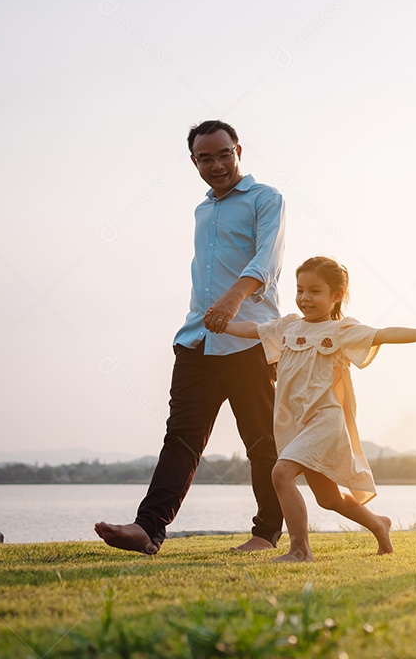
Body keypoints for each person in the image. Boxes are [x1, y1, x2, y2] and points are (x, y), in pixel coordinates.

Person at [95, 120, 286, 555]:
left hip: (249, 341)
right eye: (206, 158)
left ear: (239, 150)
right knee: (180, 438)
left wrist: (234, 300)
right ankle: (148, 529)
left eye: (224, 154)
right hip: (197, 342)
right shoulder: (203, 210)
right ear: (194, 161)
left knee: (261, 442)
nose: (216, 165)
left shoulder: (266, 199)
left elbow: (267, 259)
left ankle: (266, 533)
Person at [225, 256, 416, 562]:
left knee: (281, 472)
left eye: (315, 291)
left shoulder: (340, 330)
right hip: (295, 424)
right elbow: (254, 329)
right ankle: (379, 524)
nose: (304, 298)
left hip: (325, 419)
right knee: (328, 498)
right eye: (300, 290)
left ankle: (300, 550)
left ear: (336, 295)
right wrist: (223, 324)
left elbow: (383, 334)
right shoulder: (288, 326)